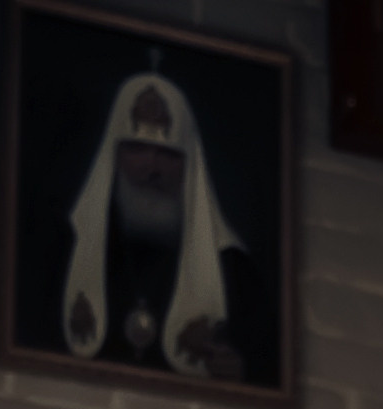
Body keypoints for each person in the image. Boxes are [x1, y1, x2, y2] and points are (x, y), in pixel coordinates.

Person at [53, 72, 275, 387]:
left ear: (190, 165)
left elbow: (265, 371)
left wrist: (238, 371)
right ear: (113, 156)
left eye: (168, 154)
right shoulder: (63, 247)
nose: (152, 168)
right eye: (137, 149)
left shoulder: (234, 270)